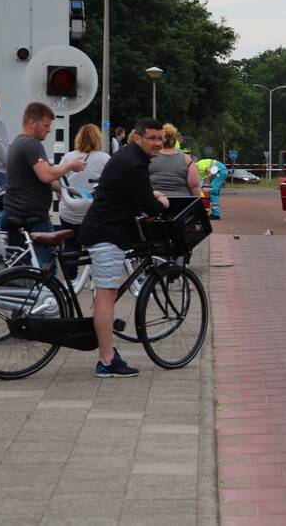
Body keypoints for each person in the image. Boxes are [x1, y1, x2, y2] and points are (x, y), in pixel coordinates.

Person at [78, 117, 170, 377]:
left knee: (104, 294)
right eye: (151, 138)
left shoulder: (129, 157)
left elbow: (134, 193)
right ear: (137, 138)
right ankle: (106, 360)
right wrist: (161, 201)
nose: (156, 143)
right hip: (107, 234)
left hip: (104, 229)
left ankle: (106, 351)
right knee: (106, 296)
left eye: (159, 138)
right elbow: (150, 208)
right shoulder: (134, 164)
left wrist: (150, 196)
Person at [1, 102, 85, 265]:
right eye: (45, 125)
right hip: (32, 219)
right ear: (32, 123)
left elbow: (39, 179)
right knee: (45, 269)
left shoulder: (17, 144)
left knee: (19, 269)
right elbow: (46, 175)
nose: (49, 129)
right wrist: (69, 165)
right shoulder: (31, 145)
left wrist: (70, 191)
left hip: (14, 213)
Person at [57, 124, 111, 280]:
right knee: (96, 245)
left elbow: (59, 182)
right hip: (93, 212)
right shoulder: (105, 159)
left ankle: (70, 278)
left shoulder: (68, 157)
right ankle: (95, 279)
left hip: (69, 211)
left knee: (71, 243)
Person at [149, 123, 201, 198]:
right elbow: (194, 187)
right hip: (182, 203)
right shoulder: (187, 159)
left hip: (155, 201)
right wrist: (198, 206)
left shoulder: (150, 157)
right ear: (174, 139)